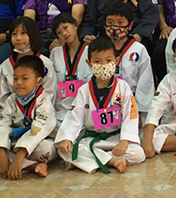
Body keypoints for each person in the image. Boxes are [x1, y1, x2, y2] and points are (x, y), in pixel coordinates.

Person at [55, 37, 145, 173]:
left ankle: (87, 161)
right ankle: (111, 160)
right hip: (92, 138)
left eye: (108, 60)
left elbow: (130, 116)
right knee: (65, 151)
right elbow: (74, 117)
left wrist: (125, 141)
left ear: (116, 61)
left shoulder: (123, 87)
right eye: (97, 61)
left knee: (138, 153)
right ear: (89, 63)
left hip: (116, 138)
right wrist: (67, 138)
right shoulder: (84, 90)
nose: (103, 65)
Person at [0, 55, 56, 179]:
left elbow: (39, 128)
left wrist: (20, 156)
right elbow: (2, 125)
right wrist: (0, 151)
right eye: (15, 78)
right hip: (15, 142)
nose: (19, 83)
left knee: (46, 149)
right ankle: (31, 166)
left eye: (25, 78)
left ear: (39, 81)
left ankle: (11, 164)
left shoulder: (44, 101)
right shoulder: (11, 100)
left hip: (36, 144)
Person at [104, 4, 155, 123]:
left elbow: (145, 82)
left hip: (131, 103)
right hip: (105, 104)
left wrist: (140, 110)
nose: (115, 27)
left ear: (130, 25)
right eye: (110, 22)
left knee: (131, 132)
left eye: (120, 23)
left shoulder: (139, 49)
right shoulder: (100, 49)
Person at [0, 17, 56, 107]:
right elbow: (0, 98)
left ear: (33, 35)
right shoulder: (5, 65)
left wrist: (34, 111)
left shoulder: (45, 63)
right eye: (14, 34)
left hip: (40, 111)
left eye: (23, 33)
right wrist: (13, 111)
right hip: (11, 112)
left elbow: (50, 93)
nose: (18, 38)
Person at [50, 13, 91, 131]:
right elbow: (52, 84)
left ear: (75, 25)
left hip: (84, 109)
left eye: (65, 27)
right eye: (59, 32)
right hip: (61, 110)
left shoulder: (90, 51)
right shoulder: (55, 53)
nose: (64, 33)